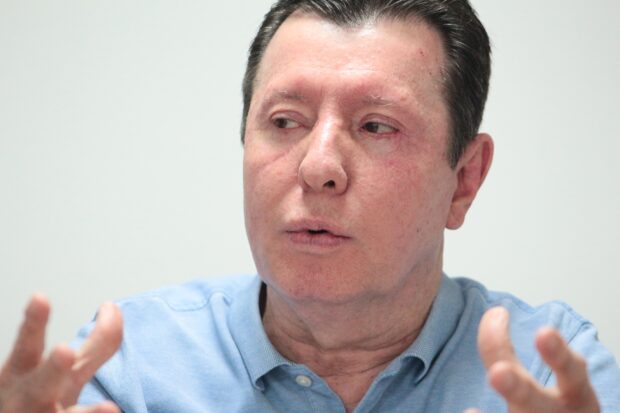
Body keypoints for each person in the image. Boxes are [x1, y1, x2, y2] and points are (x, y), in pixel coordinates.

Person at [1, 0, 619, 412]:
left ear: (464, 180)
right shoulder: (130, 365)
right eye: (285, 121)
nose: (318, 166)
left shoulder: (548, 373)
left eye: (376, 126)